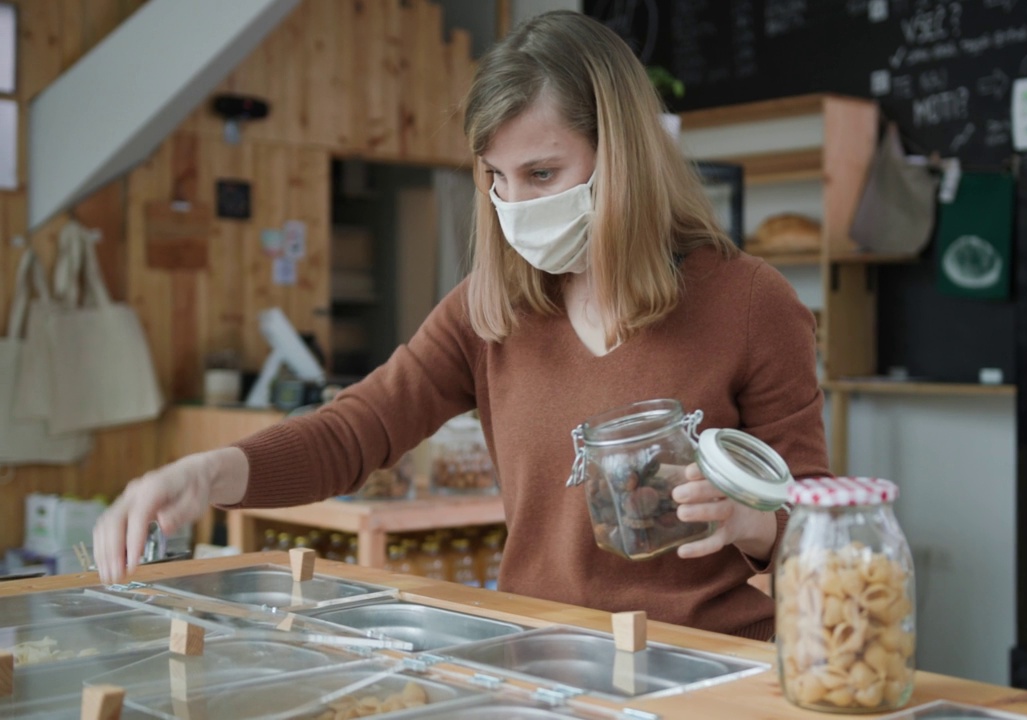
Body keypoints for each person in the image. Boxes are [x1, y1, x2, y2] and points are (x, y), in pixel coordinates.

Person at [92, 10, 827, 641]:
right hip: (546, 664)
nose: (516, 206)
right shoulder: (490, 309)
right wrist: (207, 471)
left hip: (709, 671)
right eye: (496, 180)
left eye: (542, 174)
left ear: (624, 157)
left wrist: (751, 523)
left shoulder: (751, 305)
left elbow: (820, 530)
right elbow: (355, 433)